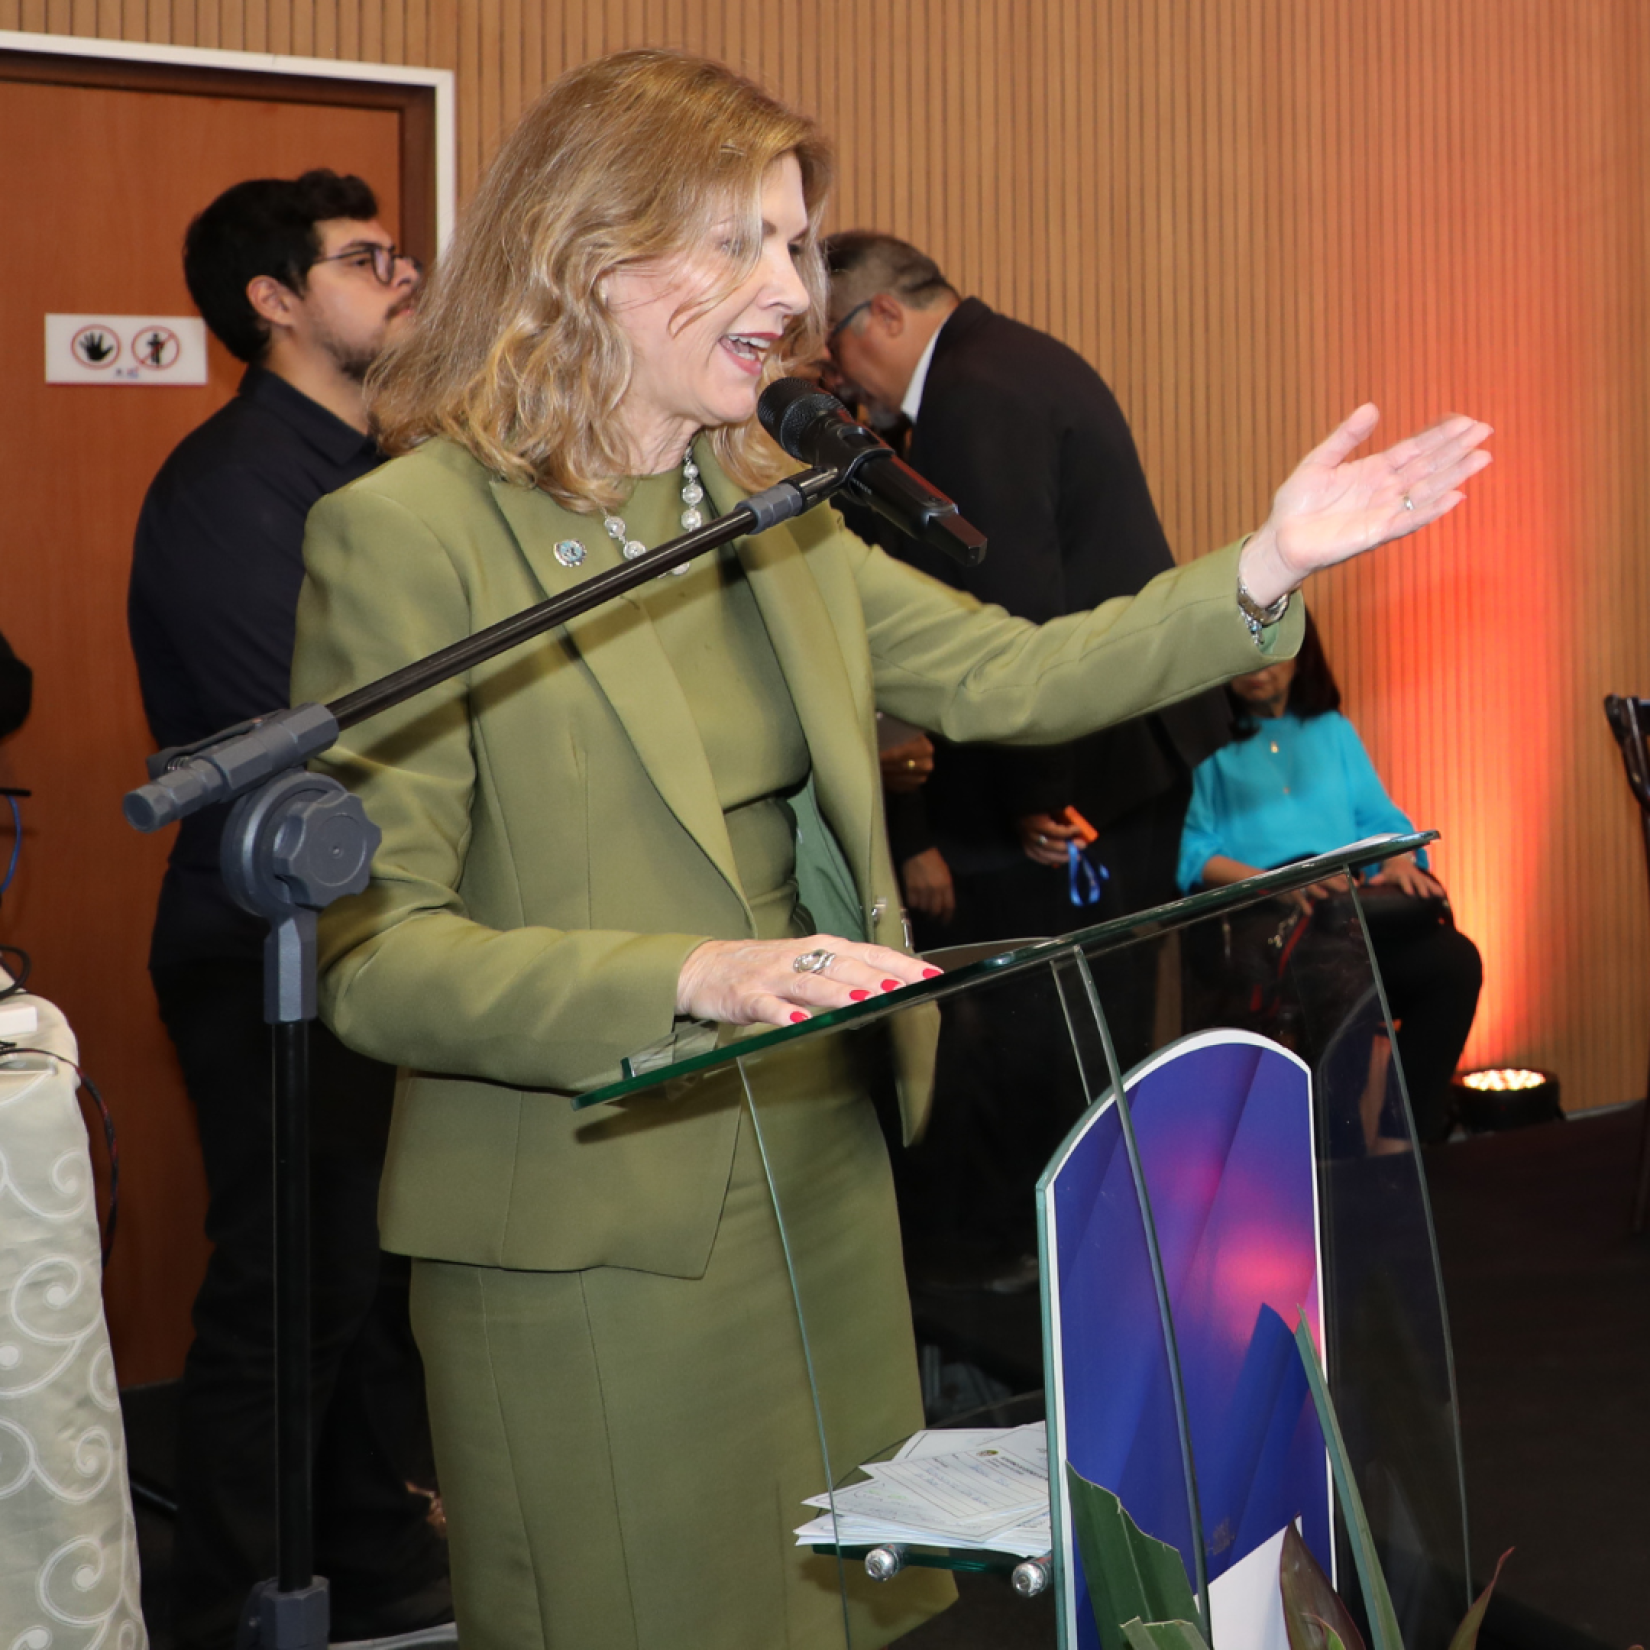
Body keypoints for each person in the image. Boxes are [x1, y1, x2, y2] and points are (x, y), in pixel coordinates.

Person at [288, 49, 1490, 1650]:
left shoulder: (772, 508)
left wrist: (1264, 565)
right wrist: (698, 974)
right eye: (742, 243)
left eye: (796, 246)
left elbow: (1019, 671)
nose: (787, 291)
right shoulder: (411, 533)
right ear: (589, 255)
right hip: (588, 1244)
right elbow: (377, 957)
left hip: (826, 1192)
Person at [126, 171, 449, 1649]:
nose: (401, 278)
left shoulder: (367, 469)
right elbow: (316, 730)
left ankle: (367, 1553)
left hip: (359, 937)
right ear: (273, 301)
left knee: (355, 1274)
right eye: (365, 259)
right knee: (287, 1284)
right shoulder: (229, 486)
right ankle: (238, 1596)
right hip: (260, 946)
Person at [822, 233, 1230, 966]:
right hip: (1122, 748)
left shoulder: (969, 394)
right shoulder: (1008, 361)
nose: (840, 381)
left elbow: (1012, 602)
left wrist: (1036, 796)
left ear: (881, 314)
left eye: (832, 347)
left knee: (1069, 1045)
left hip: (1080, 780)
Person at [1176, 608, 1484, 1143]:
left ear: (1301, 652)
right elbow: (1192, 852)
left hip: (1344, 914)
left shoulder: (1331, 730)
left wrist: (1394, 861)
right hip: (1267, 919)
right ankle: (1333, 1167)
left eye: (1273, 651)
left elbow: (1384, 823)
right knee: (1340, 970)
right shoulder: (1209, 744)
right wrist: (1276, 882)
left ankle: (1402, 1135)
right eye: (1245, 656)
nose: (1260, 669)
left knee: (1453, 962)